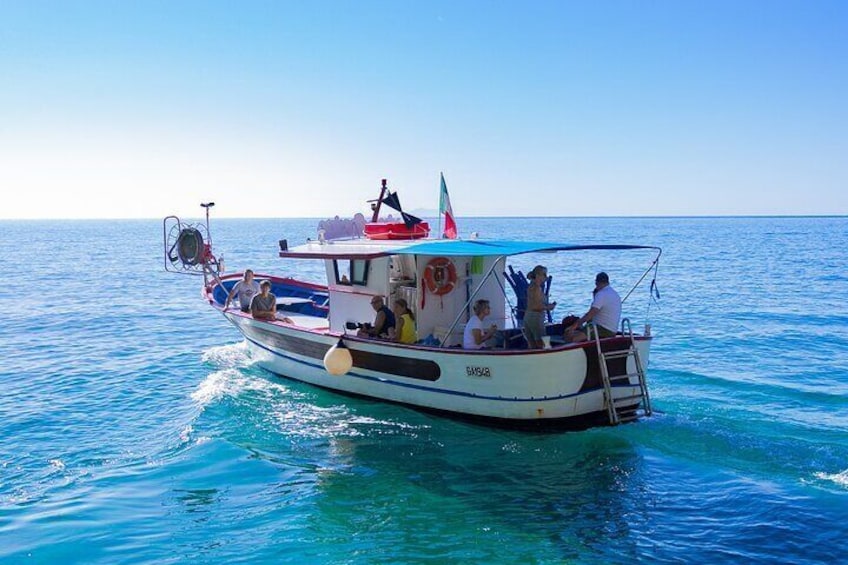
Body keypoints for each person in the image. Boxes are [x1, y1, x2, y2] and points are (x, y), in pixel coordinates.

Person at [567, 272, 621, 342]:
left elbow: (590, 314)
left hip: (602, 329)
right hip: (612, 330)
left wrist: (574, 326)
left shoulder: (601, 294)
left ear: (597, 283)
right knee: (576, 332)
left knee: (571, 338)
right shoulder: (614, 293)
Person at [523, 265, 557, 349]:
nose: (546, 277)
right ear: (538, 275)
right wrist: (549, 307)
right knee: (543, 343)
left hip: (528, 316)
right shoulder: (537, 288)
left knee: (532, 344)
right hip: (536, 317)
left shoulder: (531, 285)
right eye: (544, 274)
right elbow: (536, 306)